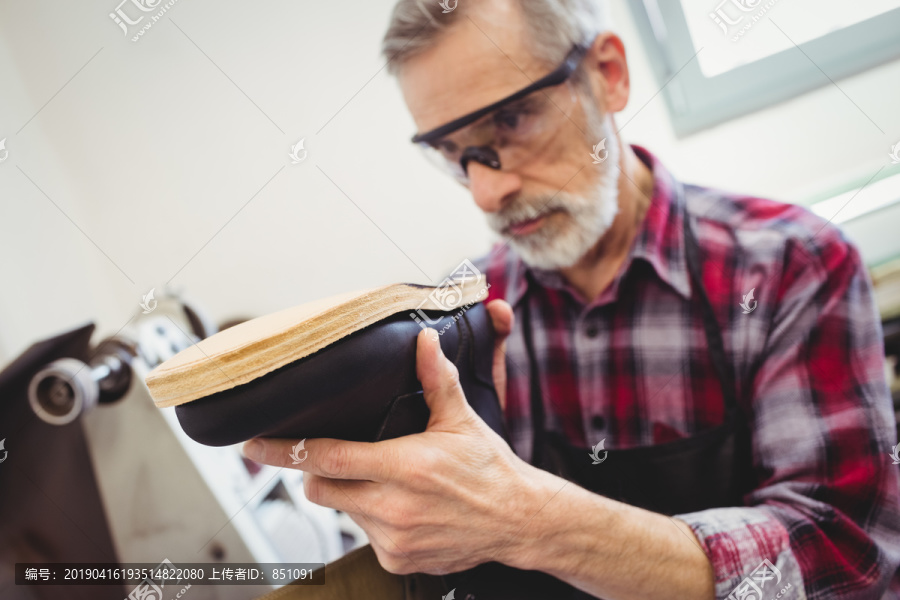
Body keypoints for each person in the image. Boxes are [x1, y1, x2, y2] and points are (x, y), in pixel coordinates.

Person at [241, 0, 900, 597]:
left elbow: (846, 552)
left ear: (609, 74)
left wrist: (535, 523)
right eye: (455, 154)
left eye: (512, 118)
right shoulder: (463, 311)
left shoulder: (790, 266)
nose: (486, 194)